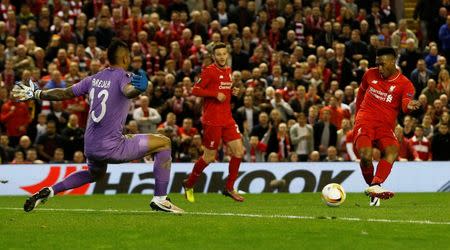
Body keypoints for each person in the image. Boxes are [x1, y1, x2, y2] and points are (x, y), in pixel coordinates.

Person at [12, 39, 183, 213]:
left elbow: (64, 93)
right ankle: (161, 198)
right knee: (164, 142)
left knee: (96, 174)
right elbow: (127, 91)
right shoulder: (124, 77)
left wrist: (37, 93)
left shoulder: (93, 79)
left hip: (91, 145)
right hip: (112, 146)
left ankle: (51, 190)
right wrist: (139, 89)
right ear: (124, 58)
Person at [353, 47, 420, 206]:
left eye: (382, 64)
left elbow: (404, 105)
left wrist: (410, 105)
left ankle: (375, 185)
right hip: (365, 121)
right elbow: (361, 94)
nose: (379, 68)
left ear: (392, 61)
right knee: (365, 155)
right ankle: (373, 187)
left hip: (385, 126)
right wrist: (357, 115)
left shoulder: (405, 84)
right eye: (377, 64)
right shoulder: (370, 74)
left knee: (392, 150)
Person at [182, 42, 245, 202]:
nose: (222, 57)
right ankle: (189, 184)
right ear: (213, 56)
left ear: (227, 55)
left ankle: (229, 188)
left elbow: (225, 89)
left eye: (224, 54)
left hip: (227, 119)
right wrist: (214, 94)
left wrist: (232, 91)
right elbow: (195, 90)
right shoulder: (209, 71)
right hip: (212, 121)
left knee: (239, 151)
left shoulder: (229, 70)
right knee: (209, 157)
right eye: (219, 54)